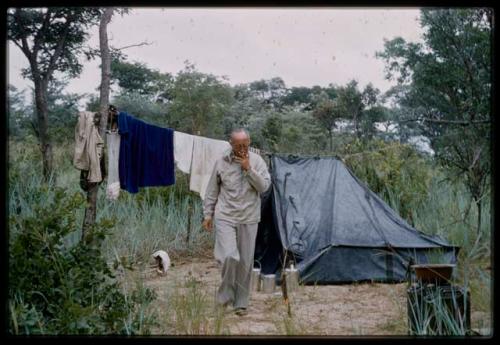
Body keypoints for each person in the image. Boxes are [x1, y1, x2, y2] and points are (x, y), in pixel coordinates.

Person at [202, 128, 271, 316]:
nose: (242, 148)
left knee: (245, 262)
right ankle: (223, 299)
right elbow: (212, 190)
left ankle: (241, 303)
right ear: (230, 144)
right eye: (238, 144)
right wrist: (208, 214)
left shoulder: (257, 161)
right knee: (229, 257)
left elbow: (264, 187)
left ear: (249, 143)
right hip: (225, 216)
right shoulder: (221, 162)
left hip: (249, 217)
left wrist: (249, 169)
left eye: (245, 144)